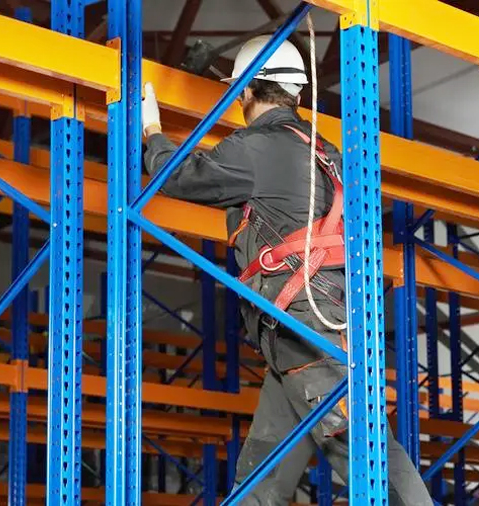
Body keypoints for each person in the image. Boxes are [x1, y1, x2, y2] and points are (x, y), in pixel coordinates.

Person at [142, 35, 432, 505]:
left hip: (305, 327)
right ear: (296, 92)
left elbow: (177, 175)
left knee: (362, 452)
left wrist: (151, 129)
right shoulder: (325, 151)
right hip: (303, 331)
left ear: (246, 91)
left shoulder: (256, 146)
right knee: (261, 477)